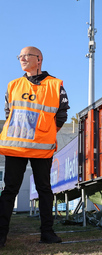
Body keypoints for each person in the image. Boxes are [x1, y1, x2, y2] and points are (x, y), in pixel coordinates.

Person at [0, 46, 70, 247]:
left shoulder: (56, 85)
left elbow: (62, 115)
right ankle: (1, 235)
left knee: (44, 190)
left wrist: (45, 133)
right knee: (9, 190)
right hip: (16, 148)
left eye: (26, 56)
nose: (21, 59)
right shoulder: (13, 85)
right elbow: (9, 114)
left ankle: (47, 233)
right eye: (19, 56)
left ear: (38, 59)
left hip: (42, 148)